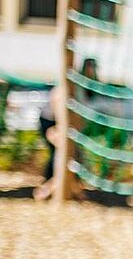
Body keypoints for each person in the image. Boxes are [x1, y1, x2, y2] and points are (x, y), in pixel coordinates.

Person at [34, 58, 97, 201]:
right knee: (64, 154)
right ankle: (50, 188)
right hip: (53, 123)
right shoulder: (64, 89)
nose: (90, 72)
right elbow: (59, 111)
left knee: (68, 155)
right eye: (88, 68)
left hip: (67, 126)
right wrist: (62, 130)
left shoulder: (86, 88)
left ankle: (61, 187)